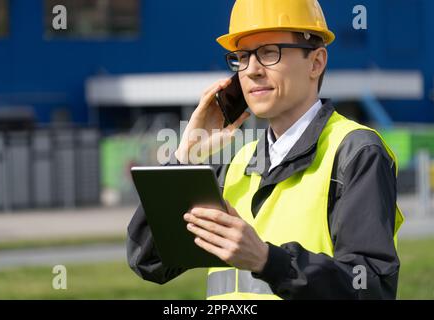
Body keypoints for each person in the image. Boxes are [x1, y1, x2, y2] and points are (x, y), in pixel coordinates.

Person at [126, 0, 404, 299]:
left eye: (270, 52)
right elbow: (150, 262)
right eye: (242, 57)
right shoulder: (233, 164)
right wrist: (185, 156)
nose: (252, 70)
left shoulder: (355, 153)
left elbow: (370, 287)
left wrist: (267, 261)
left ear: (316, 62)